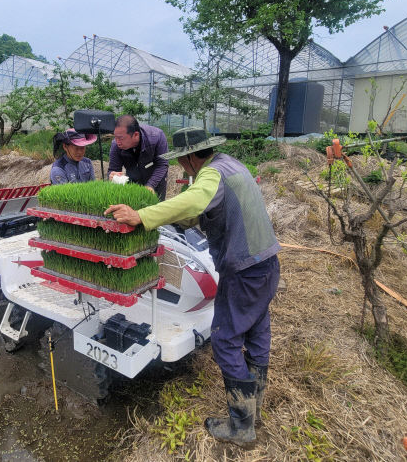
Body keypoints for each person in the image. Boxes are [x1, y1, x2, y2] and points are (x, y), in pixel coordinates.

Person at [105, 127, 280, 448]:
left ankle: (242, 427)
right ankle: (254, 407)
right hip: (266, 264)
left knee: (226, 340)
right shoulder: (233, 165)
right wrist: (169, 220)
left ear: (188, 157)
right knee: (256, 331)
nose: (182, 167)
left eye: (181, 161)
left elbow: (197, 199)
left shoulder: (210, 175)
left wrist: (140, 216)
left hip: (243, 271)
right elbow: (206, 210)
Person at [108, 115, 169, 200]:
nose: (117, 142)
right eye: (115, 137)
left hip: (156, 181)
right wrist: (112, 176)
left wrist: (150, 185)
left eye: (121, 138)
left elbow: (162, 165)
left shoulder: (157, 137)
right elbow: (113, 169)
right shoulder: (116, 145)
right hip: (133, 182)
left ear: (136, 135)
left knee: (156, 207)